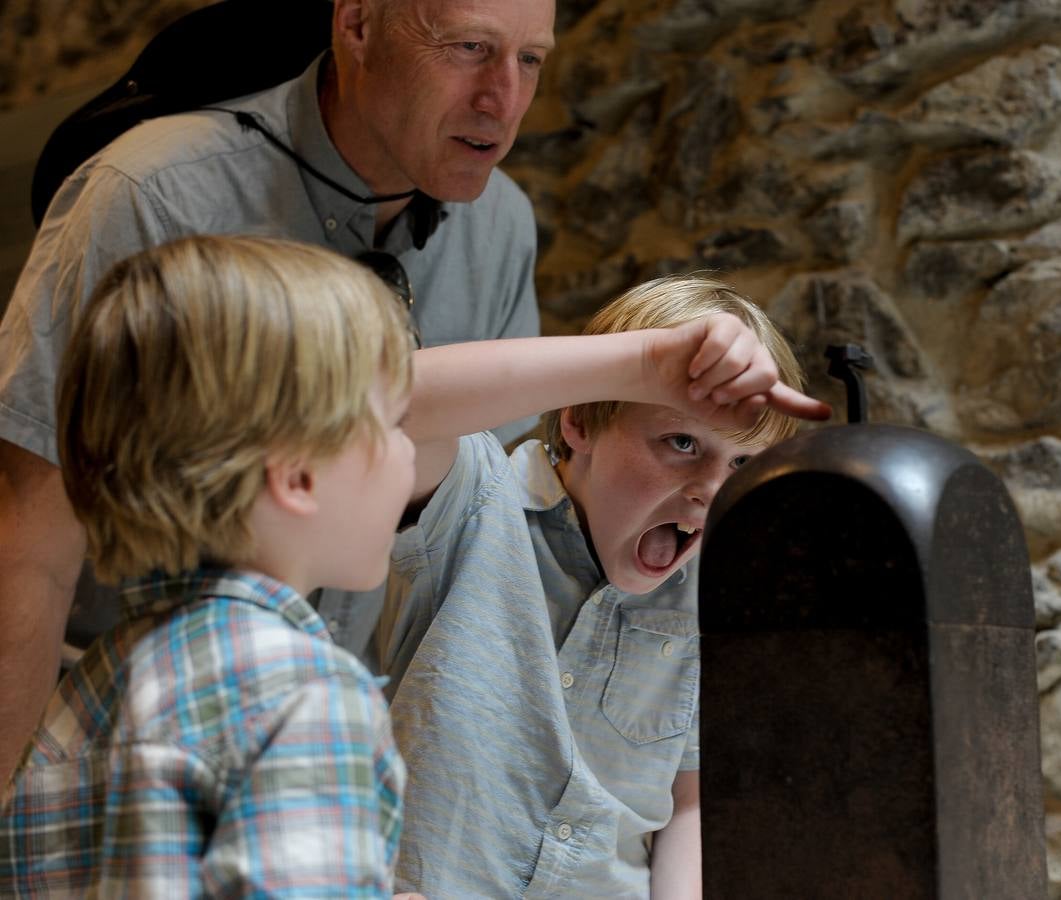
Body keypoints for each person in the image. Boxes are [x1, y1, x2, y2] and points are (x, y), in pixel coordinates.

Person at [0, 0, 557, 783]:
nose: (504, 98)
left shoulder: (502, 227)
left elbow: (474, 539)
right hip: (106, 743)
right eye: (469, 47)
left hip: (314, 745)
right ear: (357, 26)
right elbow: (32, 546)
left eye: (531, 60)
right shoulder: (152, 192)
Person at [376, 275, 830, 897]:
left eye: (742, 463)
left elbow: (689, 805)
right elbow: (384, 402)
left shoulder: (716, 596)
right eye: (682, 442)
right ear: (580, 421)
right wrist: (643, 364)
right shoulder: (475, 501)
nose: (711, 490)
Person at [0, 235, 418, 896]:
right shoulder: (308, 697)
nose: (410, 451)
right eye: (396, 423)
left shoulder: (96, 682)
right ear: (298, 475)